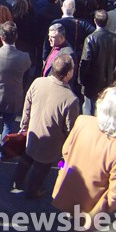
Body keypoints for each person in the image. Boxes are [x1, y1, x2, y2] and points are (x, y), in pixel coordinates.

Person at [51, 87, 116, 232]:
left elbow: (66, 150)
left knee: (73, 228)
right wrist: (104, 209)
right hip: (90, 204)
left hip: (67, 187)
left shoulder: (83, 121)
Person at [14, 54, 79, 199]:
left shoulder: (38, 82)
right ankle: (32, 191)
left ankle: (17, 181)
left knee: (26, 158)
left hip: (32, 133)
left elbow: (27, 106)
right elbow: (71, 128)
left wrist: (24, 126)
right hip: (50, 144)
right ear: (68, 74)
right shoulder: (71, 99)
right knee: (40, 168)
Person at [0, 21, 31, 158]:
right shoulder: (24, 57)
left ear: (1, 37)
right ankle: (3, 152)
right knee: (8, 125)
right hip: (13, 96)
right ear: (16, 36)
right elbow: (27, 68)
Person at [79, 9, 116, 115]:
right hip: (108, 79)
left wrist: (81, 80)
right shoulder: (114, 37)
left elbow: (85, 62)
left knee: (89, 108)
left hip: (92, 81)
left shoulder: (90, 39)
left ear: (94, 21)